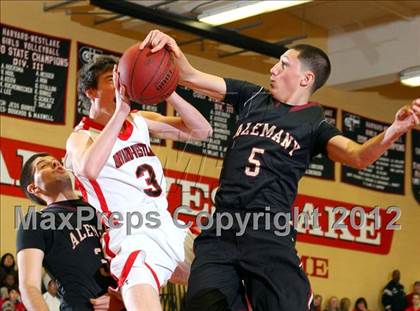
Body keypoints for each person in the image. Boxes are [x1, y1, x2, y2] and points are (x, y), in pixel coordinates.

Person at [140, 29, 420, 311]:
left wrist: (396, 129)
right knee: (202, 305)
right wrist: (172, 49)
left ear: (306, 78)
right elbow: (190, 75)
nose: (273, 69)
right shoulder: (252, 97)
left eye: (284, 64)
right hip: (222, 228)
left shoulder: (314, 124)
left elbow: (358, 156)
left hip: (268, 231)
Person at [65, 54, 212, 311]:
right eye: (112, 79)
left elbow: (202, 131)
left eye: (121, 77)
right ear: (91, 92)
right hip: (131, 233)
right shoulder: (80, 138)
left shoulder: (139, 120)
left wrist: (167, 90)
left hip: (167, 225)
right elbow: (88, 169)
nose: (121, 84)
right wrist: (120, 112)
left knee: (235, 278)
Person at [17, 153, 123, 311]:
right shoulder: (35, 221)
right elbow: (29, 287)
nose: (55, 164)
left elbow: (140, 260)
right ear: (34, 188)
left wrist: (123, 297)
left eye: (56, 161)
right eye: (43, 165)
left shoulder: (101, 206)